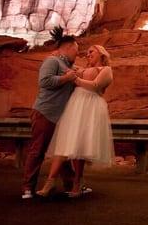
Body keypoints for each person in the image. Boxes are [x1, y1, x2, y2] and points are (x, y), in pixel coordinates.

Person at [37, 45, 115, 198]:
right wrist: (58, 55)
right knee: (65, 141)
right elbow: (66, 66)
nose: (88, 55)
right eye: (87, 53)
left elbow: (95, 86)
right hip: (76, 105)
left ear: (101, 53)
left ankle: (77, 183)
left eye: (91, 51)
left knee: (80, 144)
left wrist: (77, 80)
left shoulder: (106, 70)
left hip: (91, 106)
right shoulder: (81, 69)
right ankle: (50, 181)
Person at [21, 28, 85, 199]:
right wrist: (67, 78)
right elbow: (44, 81)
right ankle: (28, 188)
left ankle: (71, 185)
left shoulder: (69, 66)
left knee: (62, 151)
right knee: (38, 150)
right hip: (45, 112)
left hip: (60, 117)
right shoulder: (52, 61)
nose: (77, 55)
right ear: (70, 47)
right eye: (76, 51)